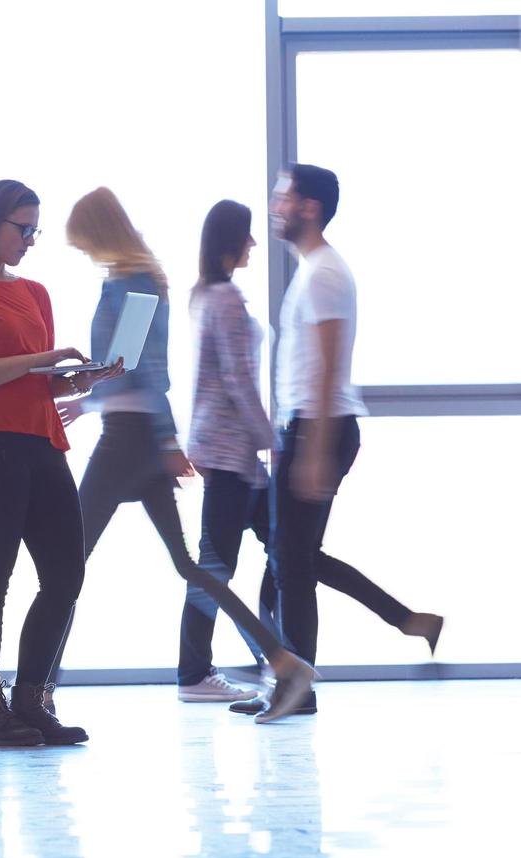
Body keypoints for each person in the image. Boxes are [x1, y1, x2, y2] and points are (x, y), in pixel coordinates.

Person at [49, 188, 315, 722]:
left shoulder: (135, 283)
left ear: (100, 233)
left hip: (128, 439)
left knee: (66, 564)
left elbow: (139, 371)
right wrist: (89, 399)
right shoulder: (137, 279)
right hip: (138, 435)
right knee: (189, 565)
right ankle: (283, 659)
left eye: (84, 244)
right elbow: (127, 370)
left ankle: (36, 690)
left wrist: (150, 433)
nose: (84, 253)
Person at [178, 200, 443, 710]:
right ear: (231, 242)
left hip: (244, 452)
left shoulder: (214, 294)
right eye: (248, 235)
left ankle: (281, 672)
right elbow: (231, 382)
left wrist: (286, 445)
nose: (257, 241)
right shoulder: (226, 299)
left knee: (282, 561)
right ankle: (218, 672)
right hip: (237, 453)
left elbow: (231, 383)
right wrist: (271, 439)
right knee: (252, 563)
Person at [0, 179, 123, 747]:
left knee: (66, 573)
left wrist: (78, 381)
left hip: (42, 441)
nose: (31, 240)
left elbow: (32, 382)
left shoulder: (34, 292)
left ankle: (31, 700)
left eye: (36, 229)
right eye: (24, 228)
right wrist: (42, 358)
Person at [226, 164, 383, 719]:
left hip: (322, 428)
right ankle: (285, 678)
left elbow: (328, 366)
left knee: (291, 564)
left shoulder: (325, 274)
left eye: (283, 198)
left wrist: (313, 450)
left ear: (309, 207)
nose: (275, 206)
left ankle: (296, 687)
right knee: (285, 559)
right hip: (305, 428)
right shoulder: (314, 271)